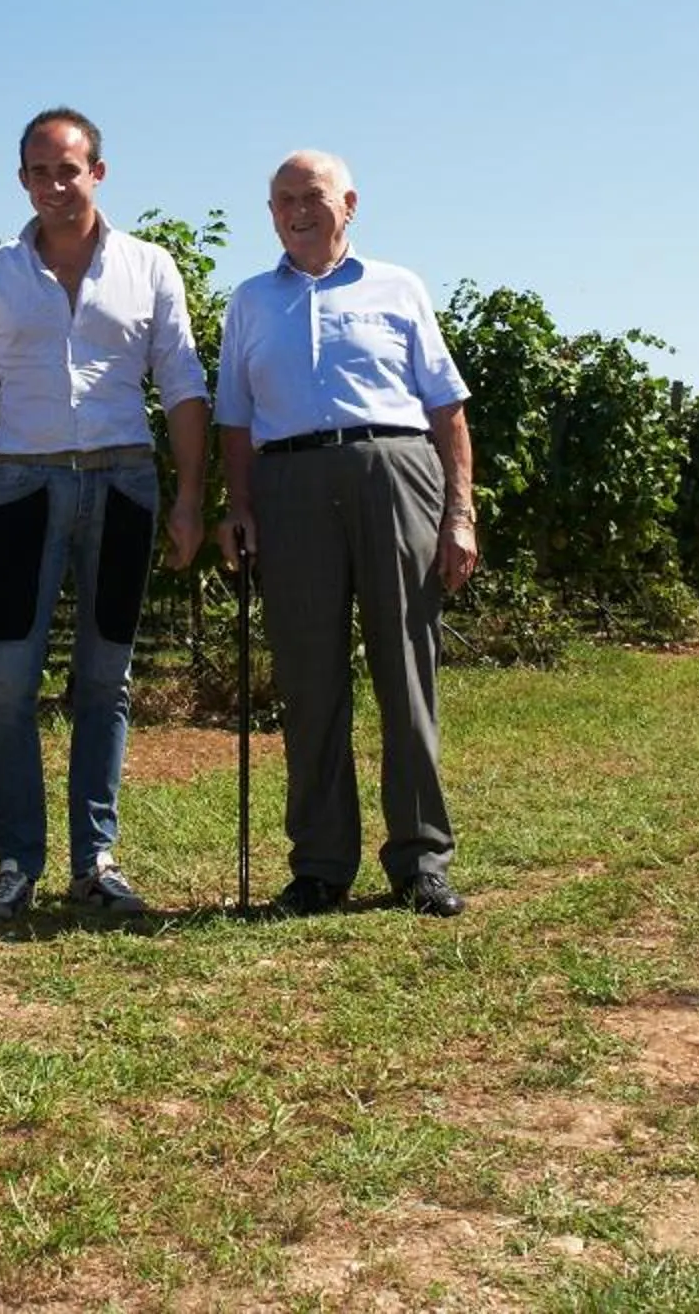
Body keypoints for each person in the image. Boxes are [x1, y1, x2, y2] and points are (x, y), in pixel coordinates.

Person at [0, 108, 208, 919]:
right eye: (39, 171)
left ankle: (95, 860)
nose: (55, 184)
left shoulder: (149, 266)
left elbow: (183, 382)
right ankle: (15, 861)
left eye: (69, 168)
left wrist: (190, 499)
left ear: (98, 171)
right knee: (8, 682)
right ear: (22, 179)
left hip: (125, 483)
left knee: (106, 679)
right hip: (23, 484)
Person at [214, 149, 479, 919]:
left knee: (406, 669)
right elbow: (235, 418)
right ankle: (321, 867)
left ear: (350, 204)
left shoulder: (399, 286)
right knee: (308, 678)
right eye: (284, 200)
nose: (299, 211)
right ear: (272, 213)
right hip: (288, 484)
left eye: (314, 196)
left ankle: (420, 860)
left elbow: (447, 410)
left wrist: (460, 513)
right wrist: (239, 504)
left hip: (393, 471)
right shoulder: (249, 301)